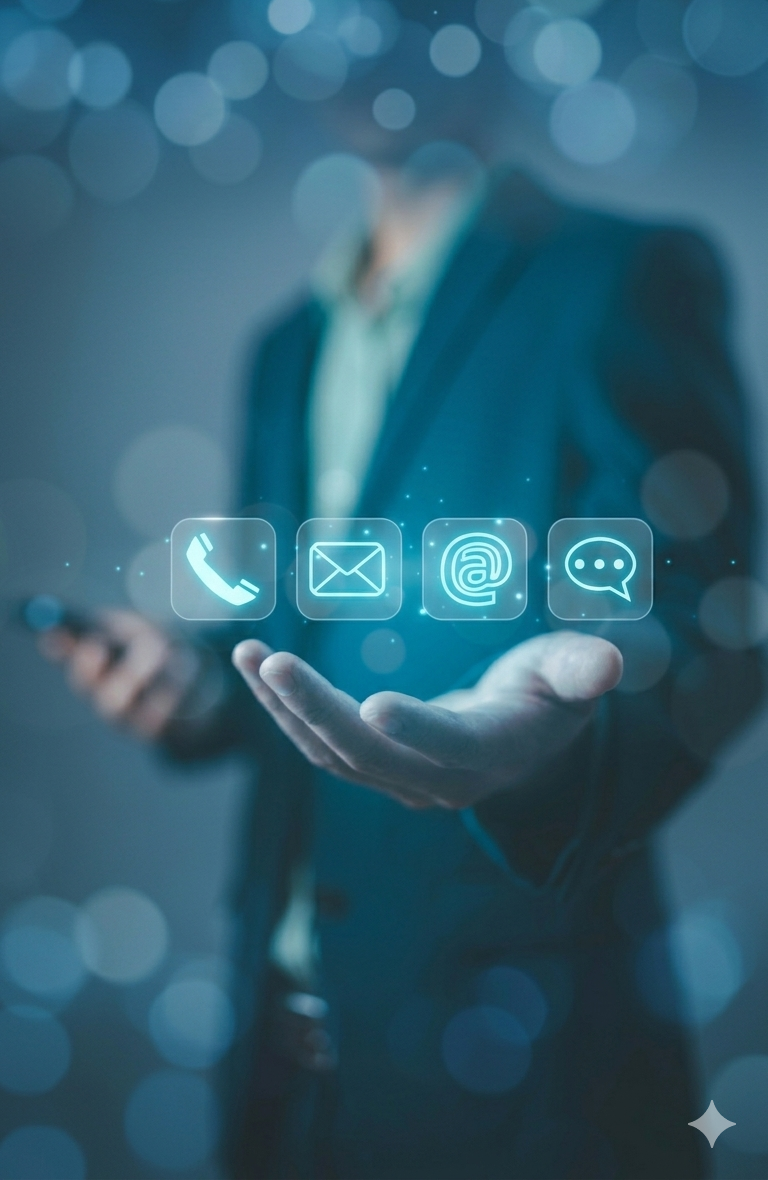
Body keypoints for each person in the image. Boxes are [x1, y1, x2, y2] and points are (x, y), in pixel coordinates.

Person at [42, 156, 762, 1180]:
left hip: (520, 1074)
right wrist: (200, 687)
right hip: (277, 1068)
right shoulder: (287, 345)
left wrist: (550, 752)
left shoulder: (619, 271)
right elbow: (291, 625)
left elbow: (707, 611)